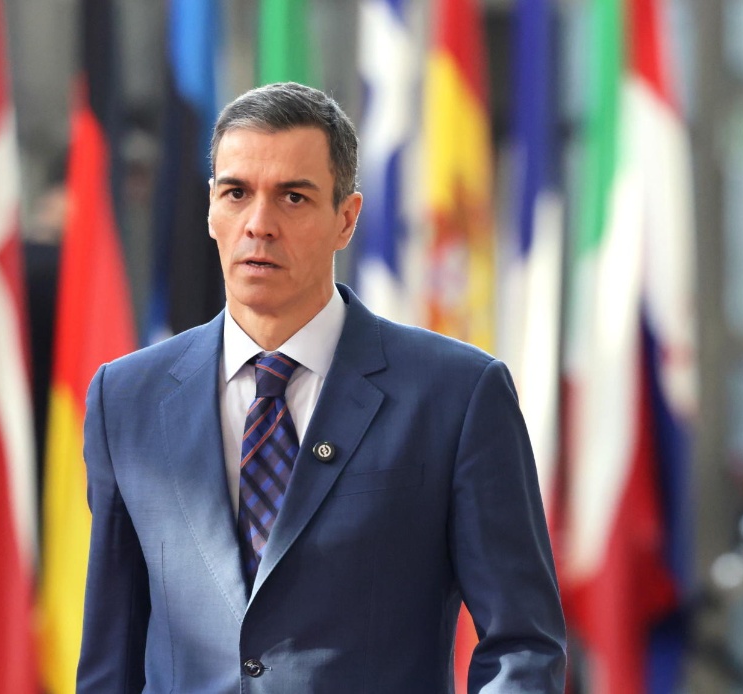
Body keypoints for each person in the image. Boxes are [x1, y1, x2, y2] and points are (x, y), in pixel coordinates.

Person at [77, 82, 565, 693]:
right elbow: (111, 657)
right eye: (236, 193)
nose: (259, 225)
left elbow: (522, 646)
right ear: (210, 209)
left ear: (346, 219)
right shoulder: (125, 399)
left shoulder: (457, 394)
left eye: (293, 197)